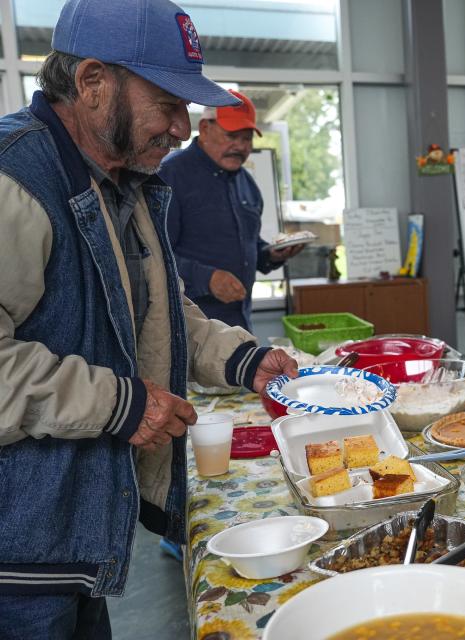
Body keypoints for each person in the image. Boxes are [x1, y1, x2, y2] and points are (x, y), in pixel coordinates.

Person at [0, 0, 299, 637]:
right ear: (91, 83)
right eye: (168, 103)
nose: (183, 128)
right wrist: (120, 403)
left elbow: (156, 313)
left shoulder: (118, 181)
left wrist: (242, 358)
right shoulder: (13, 181)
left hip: (70, 543)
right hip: (16, 558)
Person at [160, 90, 304, 332]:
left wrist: (272, 254)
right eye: (232, 136)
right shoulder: (169, 176)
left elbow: (248, 245)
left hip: (240, 325)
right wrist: (206, 279)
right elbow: (151, 254)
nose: (241, 146)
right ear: (205, 129)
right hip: (189, 332)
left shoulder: (247, 184)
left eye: (247, 138)